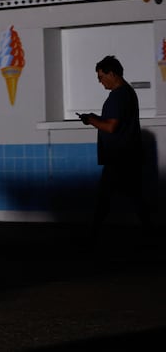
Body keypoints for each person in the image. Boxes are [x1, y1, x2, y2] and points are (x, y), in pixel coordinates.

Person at [78, 55, 152, 242]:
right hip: (128, 154)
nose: (100, 82)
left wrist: (90, 120)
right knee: (135, 197)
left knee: (105, 197)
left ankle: (92, 235)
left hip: (119, 156)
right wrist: (97, 118)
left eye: (101, 77)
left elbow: (111, 126)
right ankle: (149, 233)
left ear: (111, 73)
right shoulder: (128, 93)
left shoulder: (118, 96)